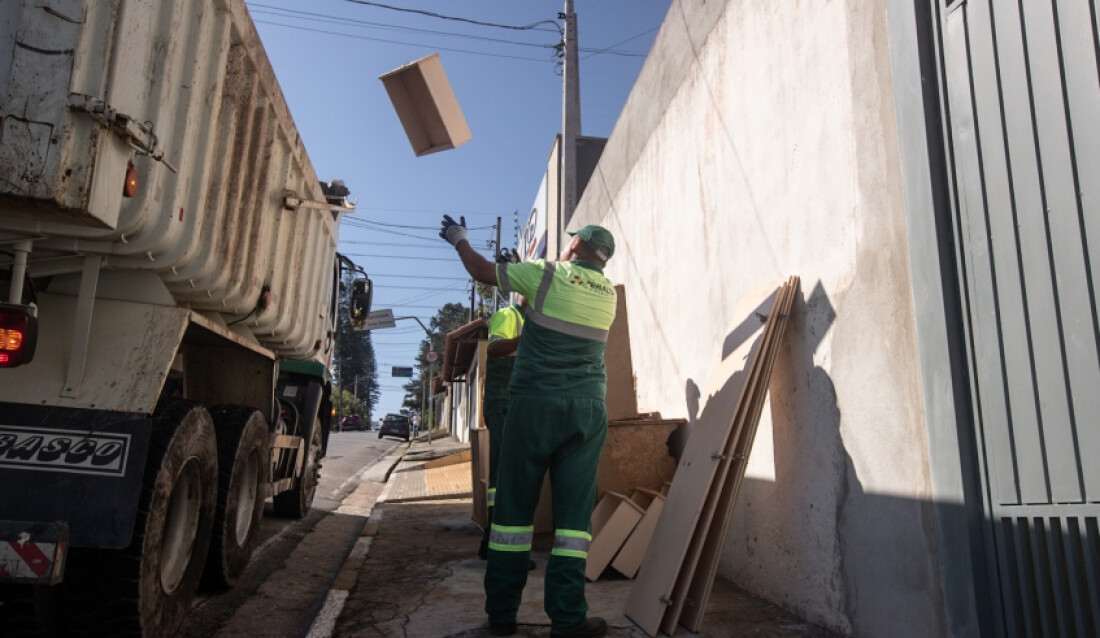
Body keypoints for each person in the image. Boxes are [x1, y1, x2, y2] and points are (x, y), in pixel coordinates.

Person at [440, 215, 617, 638]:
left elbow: (483, 273)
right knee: (574, 525)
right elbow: (545, 311)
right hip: (588, 410)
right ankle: (569, 621)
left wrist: (459, 240)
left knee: (513, 519)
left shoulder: (547, 273)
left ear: (574, 247)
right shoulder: (609, 293)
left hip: (536, 404)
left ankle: (502, 618)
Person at [478, 288, 527, 560]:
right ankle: (499, 544)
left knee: (509, 476)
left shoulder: (531, 322)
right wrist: (526, 339)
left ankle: (494, 542)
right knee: (504, 477)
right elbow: (495, 349)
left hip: (514, 406)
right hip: (504, 406)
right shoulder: (509, 316)